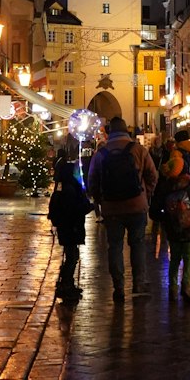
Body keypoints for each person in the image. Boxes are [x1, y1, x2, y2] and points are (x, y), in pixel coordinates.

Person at [88, 116, 157, 304]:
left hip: (111, 208)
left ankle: (118, 287)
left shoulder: (101, 154)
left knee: (115, 247)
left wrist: (100, 200)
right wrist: (145, 194)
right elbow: (153, 174)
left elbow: (92, 181)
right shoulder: (138, 150)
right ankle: (138, 283)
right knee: (138, 244)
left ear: (109, 132)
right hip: (136, 205)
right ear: (127, 131)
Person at [149, 144, 190, 303]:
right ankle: (187, 286)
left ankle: (173, 289)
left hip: (173, 228)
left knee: (174, 258)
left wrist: (162, 219)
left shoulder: (164, 188)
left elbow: (154, 209)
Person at [47, 153, 92, 301]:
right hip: (71, 228)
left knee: (71, 256)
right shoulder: (70, 189)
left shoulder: (65, 187)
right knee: (72, 257)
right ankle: (65, 285)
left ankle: (68, 283)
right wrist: (88, 206)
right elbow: (74, 209)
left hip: (68, 228)